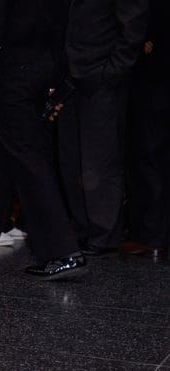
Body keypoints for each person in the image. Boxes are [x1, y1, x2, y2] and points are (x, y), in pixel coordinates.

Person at [0, 0, 87, 280]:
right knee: (3, 150)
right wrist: (57, 79)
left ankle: (64, 251)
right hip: (44, 67)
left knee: (26, 155)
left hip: (13, 66)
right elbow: (66, 18)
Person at [58, 0, 149, 256]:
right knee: (71, 157)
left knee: (101, 158)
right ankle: (82, 227)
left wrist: (111, 73)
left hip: (101, 76)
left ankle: (104, 234)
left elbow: (133, 24)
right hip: (69, 73)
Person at [121, 0, 168, 258]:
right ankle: (153, 232)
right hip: (155, 72)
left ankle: (151, 234)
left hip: (154, 74)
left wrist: (144, 40)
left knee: (148, 153)